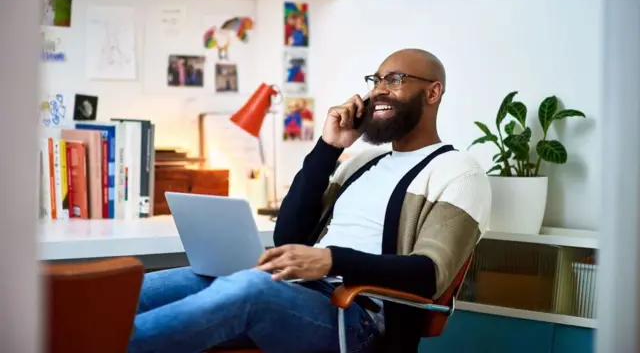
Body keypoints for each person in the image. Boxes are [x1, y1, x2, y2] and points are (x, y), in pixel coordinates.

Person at [127, 49, 491, 353]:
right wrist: (328, 147)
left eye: (394, 80)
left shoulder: (458, 171)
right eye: (376, 80)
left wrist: (330, 259)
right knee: (140, 289)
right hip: (295, 291)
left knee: (249, 288)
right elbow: (290, 233)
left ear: (433, 93)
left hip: (357, 317)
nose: (379, 90)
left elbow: (428, 274)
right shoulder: (363, 162)